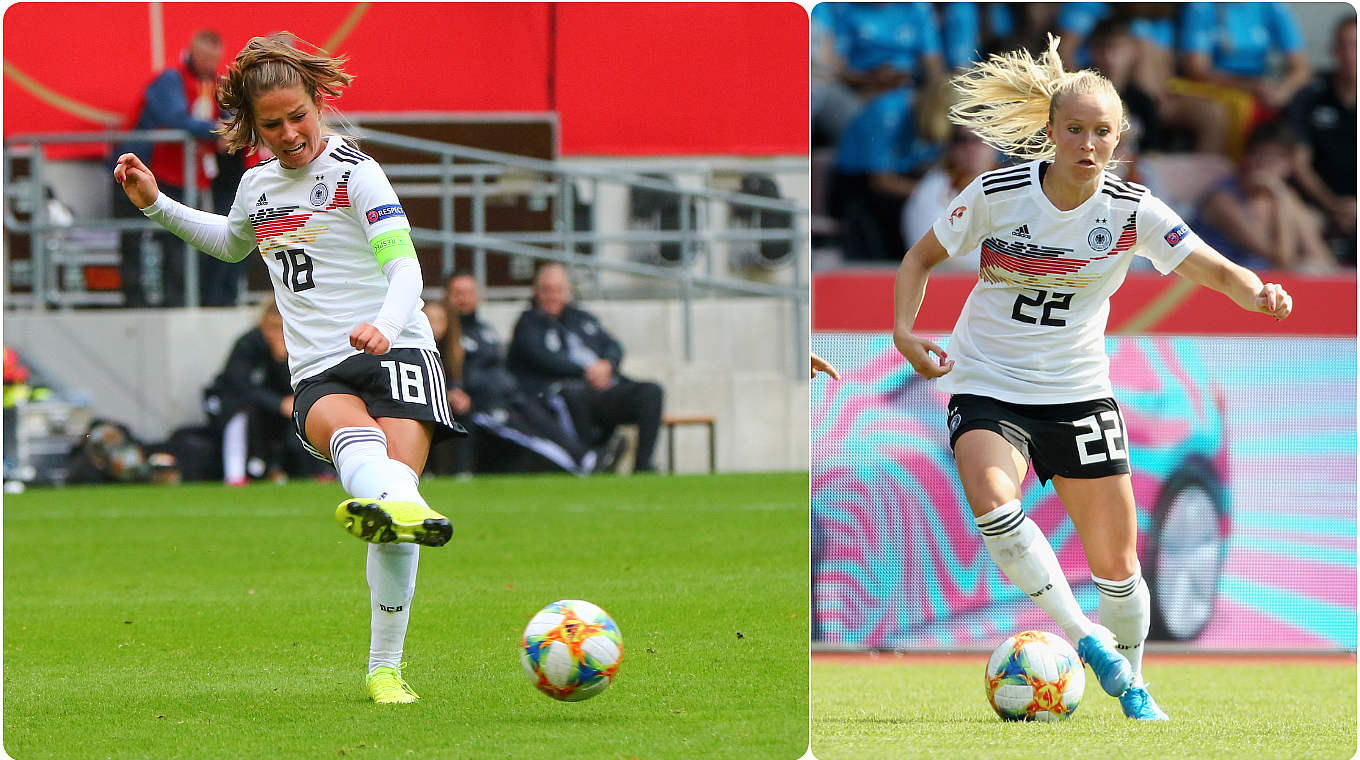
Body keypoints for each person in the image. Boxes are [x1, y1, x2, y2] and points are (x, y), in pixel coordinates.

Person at [893, 35, 1293, 721]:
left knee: (1119, 565)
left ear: (1119, 138)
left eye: (1100, 131)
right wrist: (904, 331)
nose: (1086, 142)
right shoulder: (997, 193)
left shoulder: (1131, 212)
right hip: (989, 380)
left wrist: (1257, 290)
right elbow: (918, 260)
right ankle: (1091, 647)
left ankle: (1134, 680)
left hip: (1077, 393)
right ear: (1049, 133)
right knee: (994, 500)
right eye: (1072, 129)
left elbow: (1209, 266)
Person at [114, 33, 463, 705]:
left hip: (398, 350)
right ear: (252, 126)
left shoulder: (357, 173)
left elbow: (405, 269)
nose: (289, 133)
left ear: (318, 102)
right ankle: (402, 505)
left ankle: (385, 665)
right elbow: (228, 242)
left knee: (390, 512)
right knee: (364, 459)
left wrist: (384, 327)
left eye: (297, 115)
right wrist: (156, 204)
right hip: (320, 369)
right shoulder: (256, 187)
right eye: (271, 124)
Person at [436, 272, 603, 475]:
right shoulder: (446, 334)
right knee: (530, 440)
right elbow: (445, 370)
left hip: (511, 396)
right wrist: (454, 391)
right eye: (458, 293)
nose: (465, 298)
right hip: (483, 406)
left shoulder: (485, 330)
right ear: (448, 296)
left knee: (548, 427)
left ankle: (587, 457)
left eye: (469, 292)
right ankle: (581, 467)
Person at [507, 263, 664, 473]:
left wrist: (607, 365)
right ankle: (590, 460)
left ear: (567, 292)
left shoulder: (582, 318)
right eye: (546, 290)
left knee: (651, 392)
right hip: (564, 394)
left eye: (558, 289)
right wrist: (587, 371)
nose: (552, 296)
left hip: (604, 387)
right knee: (573, 395)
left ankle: (643, 467)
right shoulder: (528, 323)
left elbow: (613, 346)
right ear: (536, 292)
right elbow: (542, 358)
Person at [116, 29, 232, 307]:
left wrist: (228, 129)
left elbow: (227, 115)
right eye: (203, 59)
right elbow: (176, 118)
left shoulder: (214, 83)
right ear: (193, 53)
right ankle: (135, 300)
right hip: (138, 169)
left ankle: (176, 299)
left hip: (182, 175)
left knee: (177, 238)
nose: (207, 65)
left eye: (212, 60)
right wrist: (217, 131)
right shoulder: (170, 80)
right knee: (134, 237)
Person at [203, 296, 326, 485]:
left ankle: (316, 469)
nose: (276, 333)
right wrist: (278, 403)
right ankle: (235, 473)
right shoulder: (248, 344)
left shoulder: (299, 345)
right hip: (238, 403)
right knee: (240, 415)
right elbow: (239, 385)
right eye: (272, 326)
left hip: (280, 405)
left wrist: (282, 361)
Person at [1191, 120, 1338, 271]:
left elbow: (1323, 259)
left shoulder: (1284, 195)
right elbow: (1281, 259)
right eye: (1260, 155)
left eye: (1275, 158)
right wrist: (1279, 197)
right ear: (1247, 157)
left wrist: (1281, 197)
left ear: (1289, 165)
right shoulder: (1223, 200)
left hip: (1261, 281)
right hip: (1217, 281)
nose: (1266, 164)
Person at [1286, 15, 1357, 267]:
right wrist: (1334, 205)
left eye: (1357, 45)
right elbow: (1299, 163)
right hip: (1315, 207)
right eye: (1345, 46)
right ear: (1334, 51)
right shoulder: (1311, 95)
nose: (1351, 54)